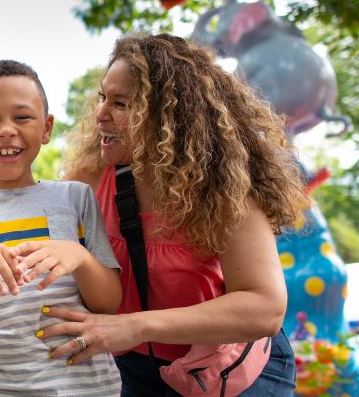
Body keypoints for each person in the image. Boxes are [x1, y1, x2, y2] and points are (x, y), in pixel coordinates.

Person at [41, 33, 307, 395]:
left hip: (229, 369)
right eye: (103, 97)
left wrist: (136, 326)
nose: (101, 113)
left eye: (122, 104)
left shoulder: (223, 189)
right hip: (136, 370)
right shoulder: (90, 178)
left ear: (169, 115)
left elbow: (265, 308)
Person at [0, 59, 123, 396]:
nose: (6, 129)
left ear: (46, 129)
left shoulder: (76, 198)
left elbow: (108, 303)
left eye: (22, 117)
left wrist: (77, 256)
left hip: (84, 388)